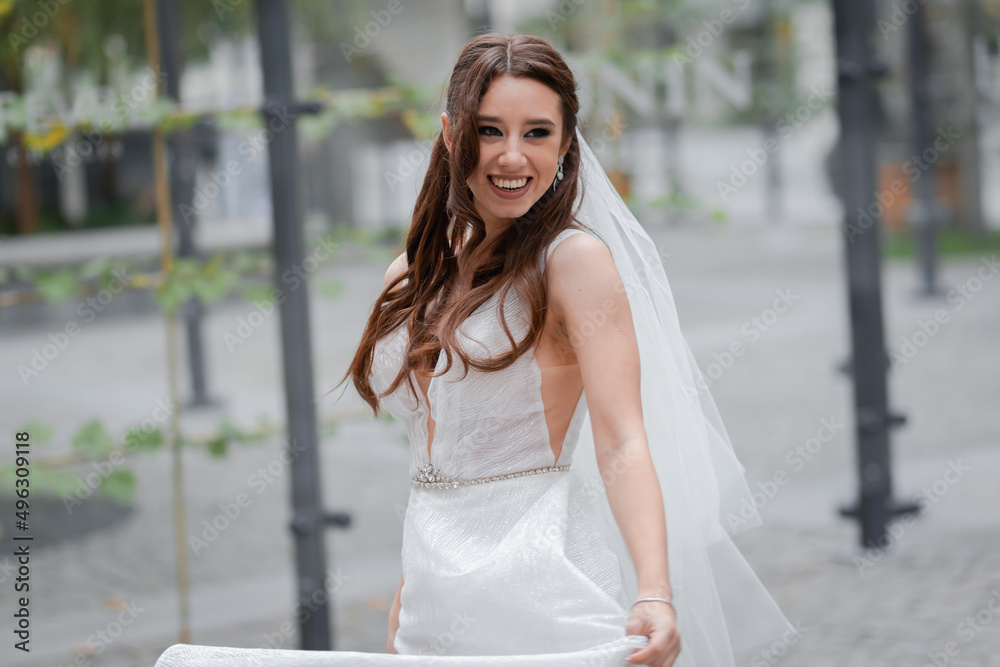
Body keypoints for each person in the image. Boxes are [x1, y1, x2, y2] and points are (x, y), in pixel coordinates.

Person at [153, 33, 793, 667]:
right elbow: (436, 459)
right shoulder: (411, 274)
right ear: (450, 133)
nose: (512, 156)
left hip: (539, 588)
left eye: (537, 133)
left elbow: (623, 437)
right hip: (430, 599)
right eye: (490, 130)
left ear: (567, 144)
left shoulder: (573, 263)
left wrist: (654, 590)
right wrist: (409, 594)